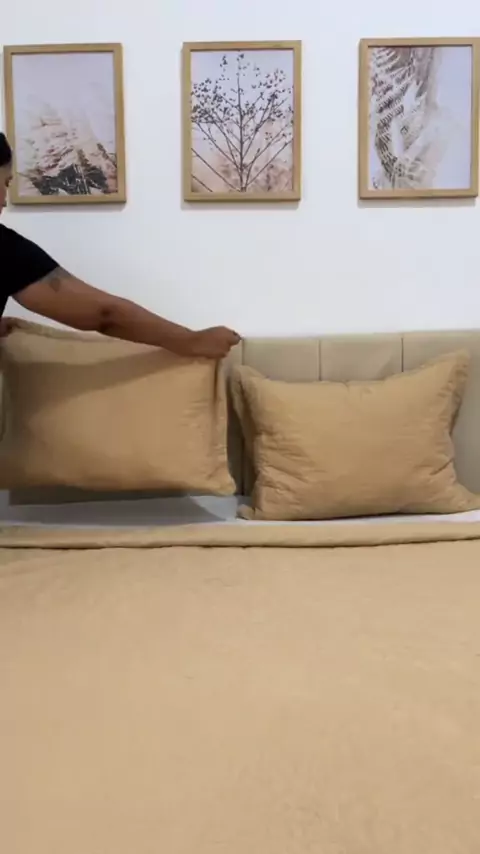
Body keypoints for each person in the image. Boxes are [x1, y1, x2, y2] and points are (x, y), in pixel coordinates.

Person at [0, 133, 240, 358]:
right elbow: (104, 314)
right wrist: (191, 340)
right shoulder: (6, 249)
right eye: (6, 183)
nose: (5, 199)